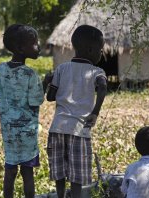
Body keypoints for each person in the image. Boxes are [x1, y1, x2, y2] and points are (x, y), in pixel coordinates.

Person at [44, 25, 107, 198]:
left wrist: (48, 81)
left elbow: (50, 97)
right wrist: (95, 112)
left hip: (57, 128)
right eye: (100, 50)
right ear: (90, 49)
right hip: (80, 130)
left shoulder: (61, 69)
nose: (101, 54)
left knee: (60, 172)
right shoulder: (97, 72)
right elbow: (102, 88)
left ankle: (60, 196)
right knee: (77, 176)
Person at [0, 24, 44, 198]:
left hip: (9, 133)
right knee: (27, 173)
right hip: (27, 134)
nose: (38, 47)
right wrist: (46, 84)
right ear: (20, 48)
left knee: (10, 171)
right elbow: (36, 101)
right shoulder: (30, 74)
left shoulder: (0, 70)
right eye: (34, 44)